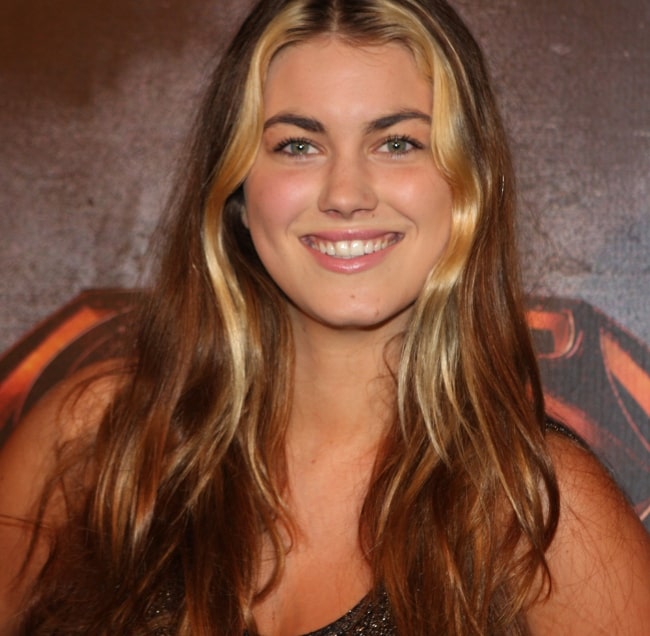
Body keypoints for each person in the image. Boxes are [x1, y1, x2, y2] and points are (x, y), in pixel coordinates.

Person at [1, 0, 649, 634]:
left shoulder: (534, 506)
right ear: (236, 187)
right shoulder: (93, 440)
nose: (345, 194)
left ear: (467, 184)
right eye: (297, 145)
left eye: (397, 142)